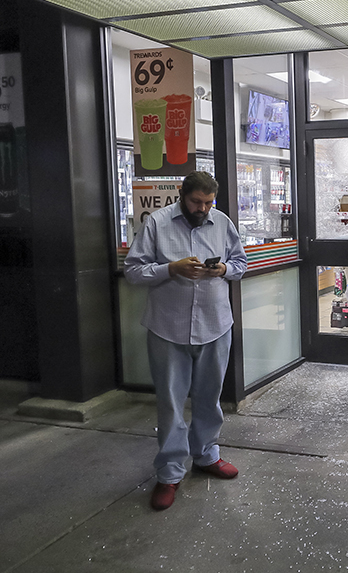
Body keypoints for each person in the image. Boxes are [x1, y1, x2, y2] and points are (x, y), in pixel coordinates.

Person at [124, 171, 247, 511]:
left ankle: (207, 456)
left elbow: (241, 262)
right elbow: (133, 270)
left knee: (210, 398)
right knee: (171, 403)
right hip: (168, 328)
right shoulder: (158, 224)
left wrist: (222, 270)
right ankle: (169, 473)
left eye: (208, 203)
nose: (203, 208)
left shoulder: (222, 222)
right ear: (182, 196)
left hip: (215, 324)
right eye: (197, 202)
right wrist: (171, 269)